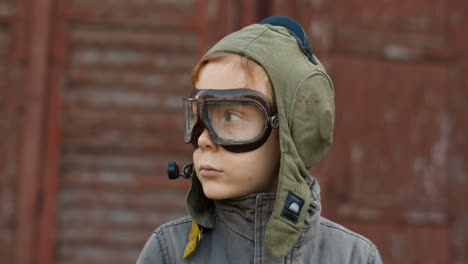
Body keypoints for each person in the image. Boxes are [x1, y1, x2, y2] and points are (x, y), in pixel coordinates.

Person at [137, 16, 383, 263]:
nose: (203, 139)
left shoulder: (353, 257)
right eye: (200, 116)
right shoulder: (169, 252)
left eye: (231, 117)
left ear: (291, 132)